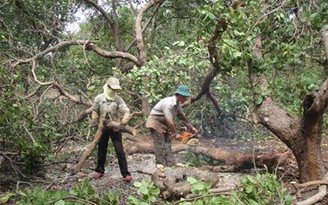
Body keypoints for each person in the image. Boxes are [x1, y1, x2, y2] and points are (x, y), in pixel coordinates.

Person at [91, 76, 132, 182]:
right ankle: (99, 170)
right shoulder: (99, 98)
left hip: (115, 128)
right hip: (102, 128)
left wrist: (124, 120)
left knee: (119, 151)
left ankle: (125, 173)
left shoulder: (118, 99)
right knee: (101, 149)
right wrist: (94, 119)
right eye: (112, 89)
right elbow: (95, 110)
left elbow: (126, 110)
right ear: (108, 87)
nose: (114, 91)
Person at [145, 85, 198, 166]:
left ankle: (170, 163)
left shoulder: (177, 105)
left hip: (164, 124)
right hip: (155, 122)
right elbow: (170, 121)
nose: (186, 99)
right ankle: (160, 163)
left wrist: (192, 127)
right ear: (180, 95)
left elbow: (181, 117)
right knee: (160, 142)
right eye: (185, 97)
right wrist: (175, 133)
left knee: (168, 142)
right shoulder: (168, 103)